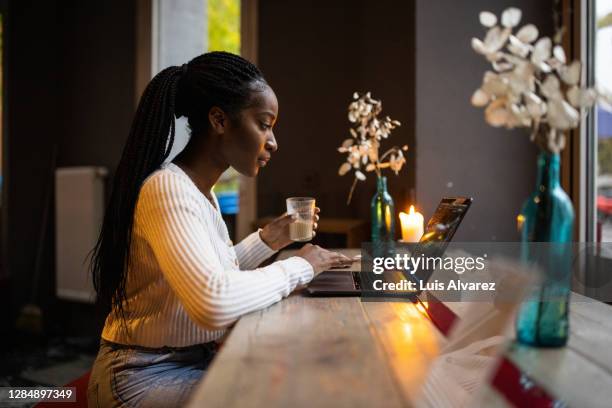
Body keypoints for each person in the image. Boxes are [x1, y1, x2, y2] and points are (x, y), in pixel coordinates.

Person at [87, 51, 351, 407]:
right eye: (264, 123)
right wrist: (301, 266)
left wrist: (268, 240)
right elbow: (213, 300)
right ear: (219, 120)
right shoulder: (168, 188)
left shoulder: (199, 191)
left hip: (187, 361)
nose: (273, 141)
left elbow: (210, 272)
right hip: (139, 375)